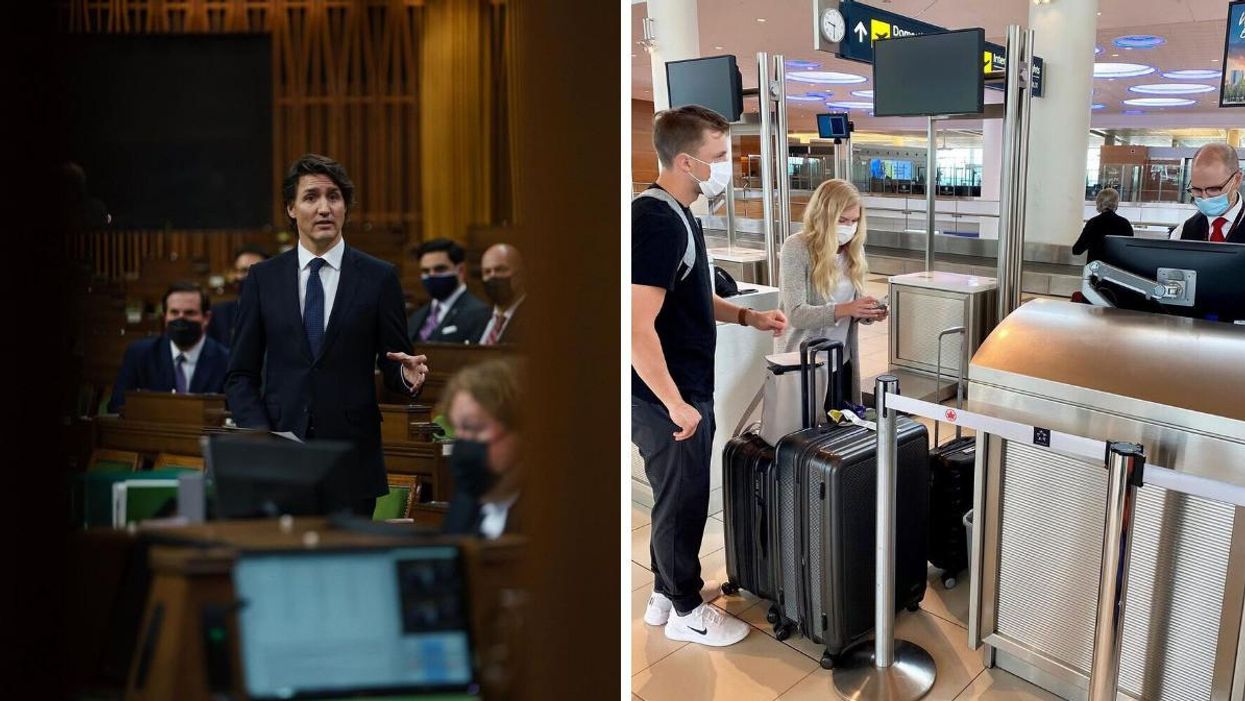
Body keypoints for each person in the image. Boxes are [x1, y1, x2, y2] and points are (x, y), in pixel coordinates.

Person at [631, 104, 787, 647]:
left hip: (677, 389)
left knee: (674, 496)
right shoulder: (654, 220)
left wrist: (747, 315)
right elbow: (636, 326)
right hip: (668, 396)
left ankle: (662, 595)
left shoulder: (679, 214)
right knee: (685, 497)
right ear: (686, 161)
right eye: (719, 157)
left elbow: (691, 293)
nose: (728, 167)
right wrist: (675, 403)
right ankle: (685, 609)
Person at [225, 154, 429, 517]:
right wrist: (259, 435)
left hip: (351, 461)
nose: (324, 208)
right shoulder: (263, 278)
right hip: (281, 456)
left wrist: (406, 375)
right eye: (311, 197)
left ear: (345, 208)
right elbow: (240, 375)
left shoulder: (379, 277)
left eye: (334, 197)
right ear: (291, 208)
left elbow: (396, 360)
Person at [777, 179, 886, 407]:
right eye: (842, 220)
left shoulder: (854, 251)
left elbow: (851, 305)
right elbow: (796, 314)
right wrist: (846, 309)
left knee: (839, 430)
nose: (849, 227)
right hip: (805, 362)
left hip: (841, 359)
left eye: (855, 221)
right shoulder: (796, 248)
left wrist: (867, 312)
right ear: (824, 217)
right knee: (806, 434)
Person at [108, 283, 228, 413]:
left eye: (189, 313)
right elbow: (117, 407)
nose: (181, 318)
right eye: (174, 312)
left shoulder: (227, 361)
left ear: (206, 318)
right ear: (165, 317)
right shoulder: (139, 354)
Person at [438, 358, 523, 538]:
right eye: (457, 430)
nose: (462, 443)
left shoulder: (551, 515)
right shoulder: (465, 502)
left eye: (473, 428)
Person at [407, 238, 491, 344]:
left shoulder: (480, 314)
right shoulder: (417, 316)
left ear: (460, 270)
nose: (431, 275)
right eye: (426, 271)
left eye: (440, 269)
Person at [1169, 143, 1244, 243]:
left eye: (1213, 189)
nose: (1204, 198)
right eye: (1197, 190)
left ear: (1237, 180)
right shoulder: (1181, 234)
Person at [206, 244, 269, 348]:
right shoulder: (218, 315)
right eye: (243, 270)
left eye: (256, 270)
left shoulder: (283, 313)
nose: (249, 276)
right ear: (235, 275)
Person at [477, 243, 527, 345]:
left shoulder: (536, 319)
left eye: (500, 270)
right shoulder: (478, 319)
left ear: (521, 274)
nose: (493, 276)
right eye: (487, 272)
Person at [1072, 188, 1133, 264]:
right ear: (1116, 203)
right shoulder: (1125, 224)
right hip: (1117, 271)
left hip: (1096, 270)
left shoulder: (1093, 223)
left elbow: (1077, 250)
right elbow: (1130, 251)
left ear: (1099, 202)